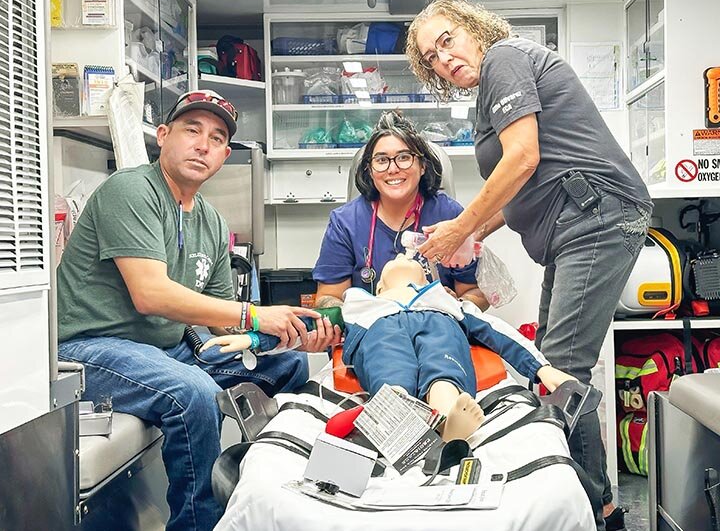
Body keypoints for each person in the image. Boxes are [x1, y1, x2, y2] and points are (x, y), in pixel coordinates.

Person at [406, 0, 652, 530]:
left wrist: (462, 226)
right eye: (431, 57)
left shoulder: (504, 59)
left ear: (473, 27)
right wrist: (471, 232)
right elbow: (520, 186)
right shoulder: (488, 93)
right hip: (575, 226)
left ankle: (597, 509)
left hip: (597, 215)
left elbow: (523, 158)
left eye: (446, 40)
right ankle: (592, 501)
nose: (443, 58)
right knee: (550, 361)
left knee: (562, 369)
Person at [55, 89, 339, 531]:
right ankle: (199, 524)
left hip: (166, 349)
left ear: (225, 154)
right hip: (91, 348)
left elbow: (219, 315)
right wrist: (254, 316)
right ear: (164, 136)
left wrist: (276, 332)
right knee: (193, 393)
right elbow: (151, 294)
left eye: (217, 137)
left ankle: (261, 490)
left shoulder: (211, 220)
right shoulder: (131, 190)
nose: (203, 144)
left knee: (288, 364)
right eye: (192, 130)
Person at [203, 253, 575, 441]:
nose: (402, 255)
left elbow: (496, 331)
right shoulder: (359, 304)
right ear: (378, 288)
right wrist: (253, 338)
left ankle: (446, 409)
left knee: (442, 360)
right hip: (380, 332)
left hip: (438, 326)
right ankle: (392, 407)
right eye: (392, 262)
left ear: (429, 278)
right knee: (389, 368)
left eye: (411, 259)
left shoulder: (445, 302)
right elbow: (307, 326)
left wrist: (541, 368)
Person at [312, 111, 488, 316]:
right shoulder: (345, 222)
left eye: (404, 158)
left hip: (438, 331)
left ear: (422, 166)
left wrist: (454, 304)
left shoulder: (450, 215)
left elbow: (476, 292)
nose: (393, 169)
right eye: (381, 160)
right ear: (369, 170)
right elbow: (328, 295)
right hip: (372, 335)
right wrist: (357, 311)